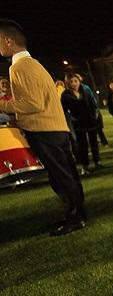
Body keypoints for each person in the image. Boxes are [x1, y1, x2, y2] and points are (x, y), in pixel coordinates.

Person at [0, 19, 86, 236]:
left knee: (61, 177)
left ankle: (75, 218)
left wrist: (3, 105)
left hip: (44, 130)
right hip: (54, 128)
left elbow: (32, 103)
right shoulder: (32, 64)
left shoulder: (20, 66)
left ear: (8, 41)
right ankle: (76, 215)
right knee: (67, 175)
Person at [61, 73, 102, 175]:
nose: (74, 84)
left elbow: (94, 103)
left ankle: (97, 162)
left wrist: (96, 113)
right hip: (78, 124)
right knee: (82, 145)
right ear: (67, 83)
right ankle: (85, 166)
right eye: (71, 82)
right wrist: (72, 118)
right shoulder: (65, 95)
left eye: (76, 81)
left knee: (94, 142)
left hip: (91, 121)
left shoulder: (85, 90)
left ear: (79, 81)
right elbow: (63, 110)